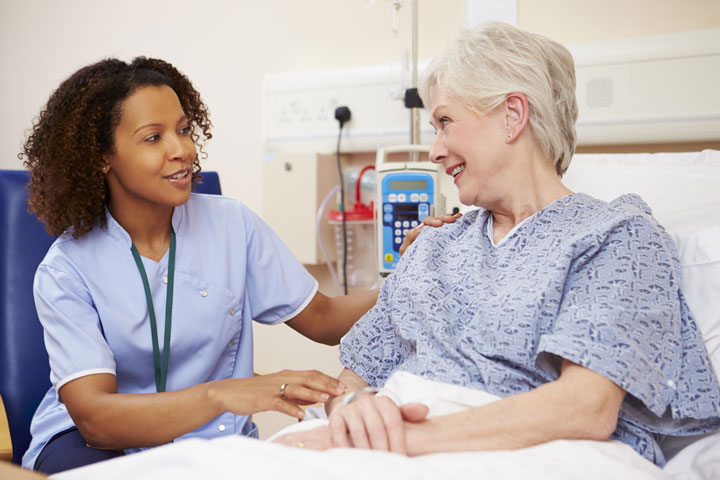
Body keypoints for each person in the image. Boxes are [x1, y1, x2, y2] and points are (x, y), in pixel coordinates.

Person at [274, 22, 720, 467]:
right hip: (383, 442)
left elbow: (586, 409)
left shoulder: (615, 235)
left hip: (520, 451)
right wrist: (358, 414)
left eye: (445, 122)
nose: (434, 150)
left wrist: (399, 442)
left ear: (513, 115)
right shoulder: (434, 246)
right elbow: (350, 382)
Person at [19, 57, 379, 473]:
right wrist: (223, 394)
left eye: (184, 129)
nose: (183, 150)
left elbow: (325, 319)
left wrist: (415, 270)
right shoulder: (66, 268)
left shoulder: (231, 224)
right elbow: (96, 420)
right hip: (91, 445)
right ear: (102, 157)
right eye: (153, 137)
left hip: (210, 436)